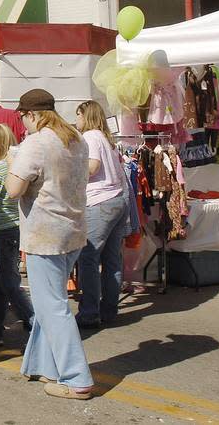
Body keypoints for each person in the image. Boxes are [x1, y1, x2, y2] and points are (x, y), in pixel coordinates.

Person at [6, 89, 95, 400]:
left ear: (31, 115)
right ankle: (45, 364)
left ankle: (76, 377)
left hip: (45, 233)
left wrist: (10, 162)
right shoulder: (76, 140)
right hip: (73, 230)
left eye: (22, 117)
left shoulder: (36, 143)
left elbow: (14, 189)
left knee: (51, 306)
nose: (22, 123)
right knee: (51, 302)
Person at [75, 100, 129, 329]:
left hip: (99, 202)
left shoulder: (90, 137)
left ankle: (89, 312)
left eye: (78, 115)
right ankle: (109, 310)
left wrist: (72, 168)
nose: (75, 120)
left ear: (85, 116)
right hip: (117, 199)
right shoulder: (107, 139)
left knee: (88, 258)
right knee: (112, 260)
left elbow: (93, 166)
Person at [0, 123, 35, 345]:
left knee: (8, 282)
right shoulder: (15, 164)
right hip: (16, 225)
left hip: (3, 229)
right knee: (2, 281)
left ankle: (33, 321)